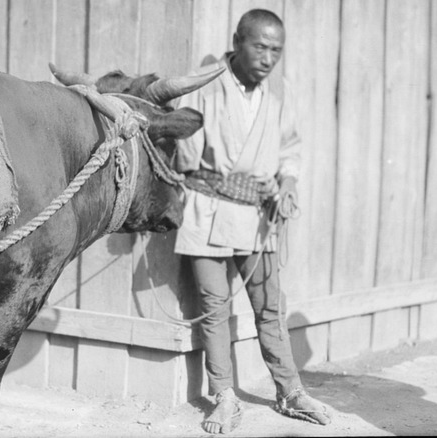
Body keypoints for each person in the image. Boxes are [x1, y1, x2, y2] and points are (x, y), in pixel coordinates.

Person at [171, 9, 333, 434]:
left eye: (276, 50)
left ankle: (290, 391)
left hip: (258, 220)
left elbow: (289, 150)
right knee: (213, 309)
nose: (267, 58)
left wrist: (289, 183)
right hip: (206, 213)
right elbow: (185, 156)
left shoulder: (280, 93)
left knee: (269, 308)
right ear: (237, 41)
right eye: (259, 46)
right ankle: (224, 396)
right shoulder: (204, 85)